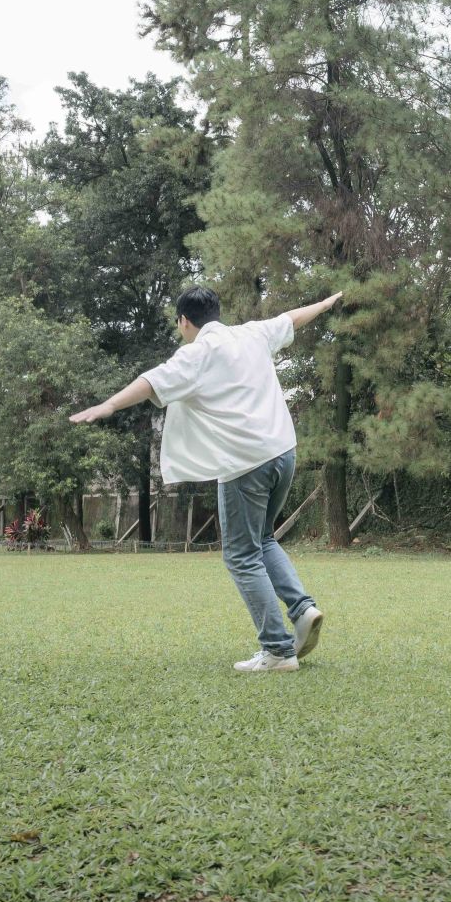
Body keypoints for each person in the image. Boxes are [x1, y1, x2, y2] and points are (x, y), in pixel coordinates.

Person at [70, 285, 342, 674]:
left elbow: (151, 382)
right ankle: (302, 610)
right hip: (284, 451)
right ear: (216, 312)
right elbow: (292, 318)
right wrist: (325, 303)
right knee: (263, 539)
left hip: (246, 464)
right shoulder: (252, 333)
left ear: (184, 321)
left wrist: (109, 405)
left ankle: (278, 650)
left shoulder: (197, 353)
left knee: (241, 555)